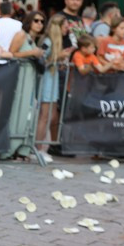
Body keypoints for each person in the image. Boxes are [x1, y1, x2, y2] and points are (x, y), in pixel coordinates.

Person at [36, 13, 67, 162]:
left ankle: (43, 147)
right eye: (65, 26)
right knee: (45, 115)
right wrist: (58, 57)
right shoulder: (48, 41)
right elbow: (41, 60)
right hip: (47, 81)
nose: (67, 29)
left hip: (52, 80)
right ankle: (37, 148)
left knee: (52, 115)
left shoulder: (55, 42)